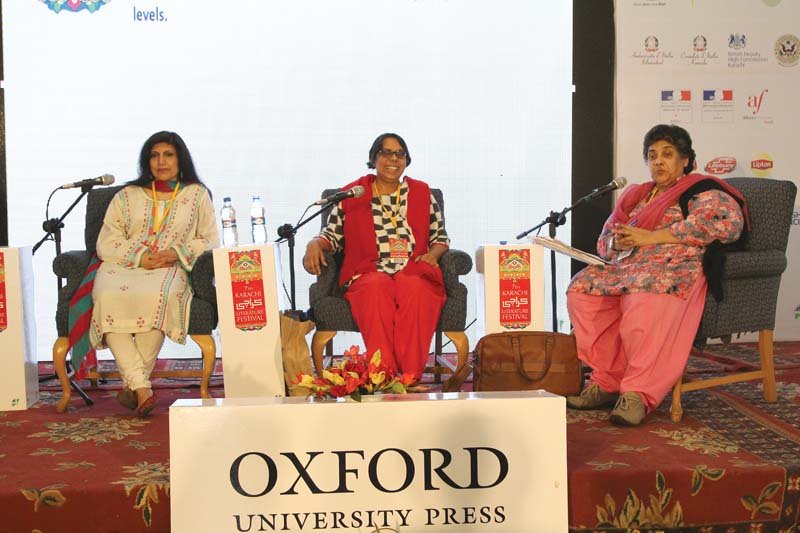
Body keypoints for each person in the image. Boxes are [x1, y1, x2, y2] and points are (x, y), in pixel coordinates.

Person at [566, 124, 748, 426]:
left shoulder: (701, 190)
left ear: (686, 160)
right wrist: (618, 241)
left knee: (643, 298)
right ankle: (607, 380)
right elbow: (604, 242)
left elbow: (725, 224)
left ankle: (638, 393)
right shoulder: (638, 195)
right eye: (652, 156)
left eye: (667, 154)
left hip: (671, 269)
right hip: (628, 269)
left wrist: (649, 238)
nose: (659, 162)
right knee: (582, 289)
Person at [86, 131, 218, 416]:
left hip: (169, 265)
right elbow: (107, 241)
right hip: (124, 264)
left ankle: (135, 385)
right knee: (107, 295)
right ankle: (141, 386)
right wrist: (139, 257)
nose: (161, 162)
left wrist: (175, 254)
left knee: (161, 295)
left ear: (180, 159)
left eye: (168, 155)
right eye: (155, 155)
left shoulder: (196, 195)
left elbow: (208, 240)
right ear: (147, 161)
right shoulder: (126, 195)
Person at [302, 133, 449, 380]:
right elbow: (332, 235)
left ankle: (410, 377)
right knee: (376, 287)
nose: (393, 159)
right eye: (386, 152)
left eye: (399, 153)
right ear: (374, 158)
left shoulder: (423, 193)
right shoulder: (353, 193)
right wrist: (313, 242)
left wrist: (433, 255)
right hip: (368, 270)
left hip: (413, 267)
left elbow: (440, 237)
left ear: (406, 160)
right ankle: (384, 376)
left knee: (415, 288)